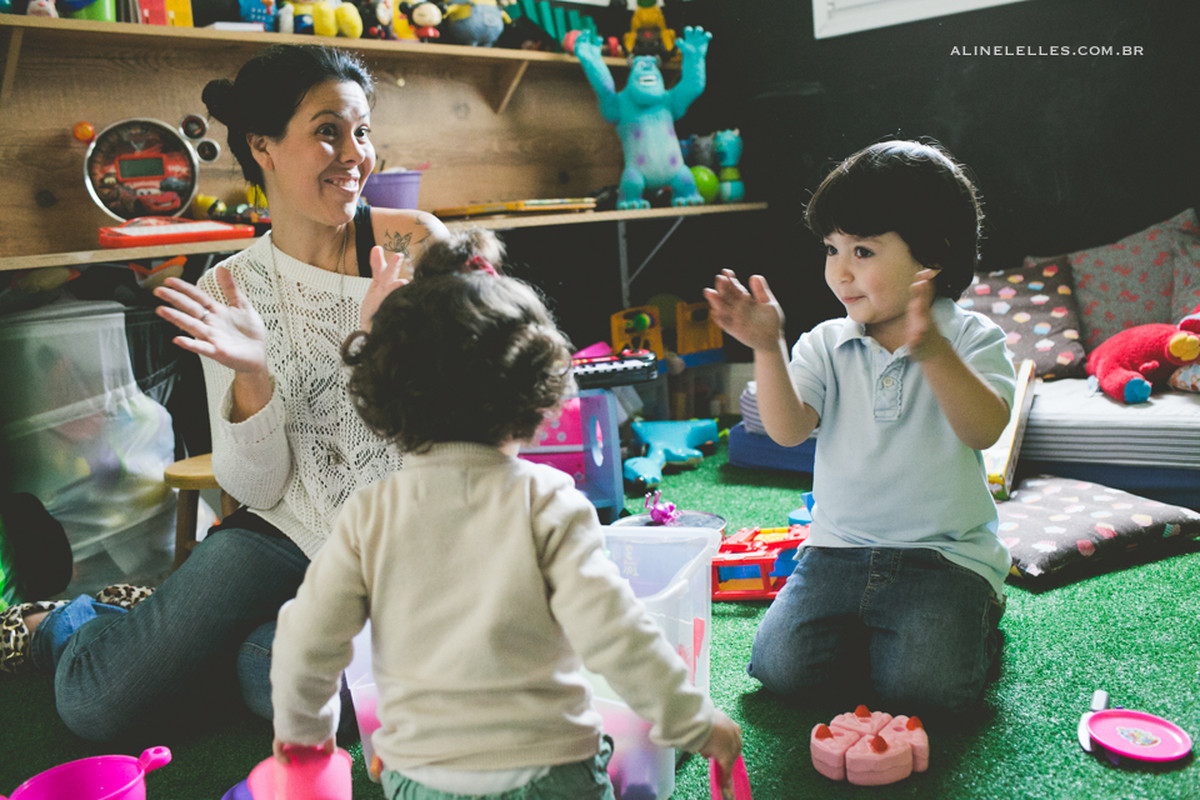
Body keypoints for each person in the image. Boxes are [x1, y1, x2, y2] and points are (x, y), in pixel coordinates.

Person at [0, 43, 449, 740]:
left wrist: (392, 352)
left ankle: (196, 639)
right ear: (262, 146)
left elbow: (473, 426)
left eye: (361, 131)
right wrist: (252, 377)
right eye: (327, 130)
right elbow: (253, 485)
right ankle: (74, 621)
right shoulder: (231, 289)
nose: (355, 153)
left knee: (288, 693)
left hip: (396, 546)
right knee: (96, 705)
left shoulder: (411, 248)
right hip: (281, 533)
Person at [269, 234, 744, 799]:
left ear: (384, 393)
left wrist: (305, 743)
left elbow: (306, 640)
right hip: (550, 774)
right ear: (537, 387)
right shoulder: (550, 500)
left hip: (422, 778)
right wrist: (693, 720)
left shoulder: (368, 513)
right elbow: (617, 634)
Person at [705, 139, 1016, 717]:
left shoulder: (973, 338)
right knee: (780, 669)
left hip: (943, 558)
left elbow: (984, 429)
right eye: (831, 249)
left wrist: (933, 353)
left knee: (924, 692)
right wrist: (768, 347)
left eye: (864, 250)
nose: (840, 272)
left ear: (935, 254)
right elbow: (788, 429)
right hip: (836, 551)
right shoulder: (825, 341)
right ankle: (882, 640)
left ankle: (975, 622)